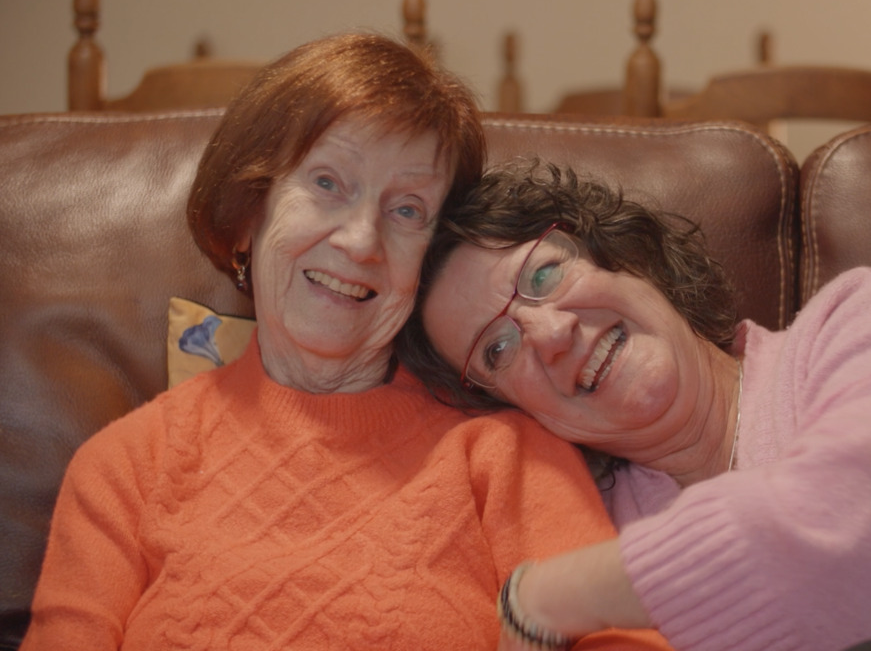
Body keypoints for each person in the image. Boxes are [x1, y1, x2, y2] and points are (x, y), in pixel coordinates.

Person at [21, 35, 668, 651]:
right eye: (328, 183)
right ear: (249, 213)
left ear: (429, 260)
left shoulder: (503, 455)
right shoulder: (125, 468)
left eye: (407, 209)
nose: (361, 241)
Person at [398, 160, 871, 651]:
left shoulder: (854, 325)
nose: (550, 334)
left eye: (543, 276)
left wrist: (543, 597)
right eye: (498, 350)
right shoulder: (587, 518)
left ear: (620, 255)